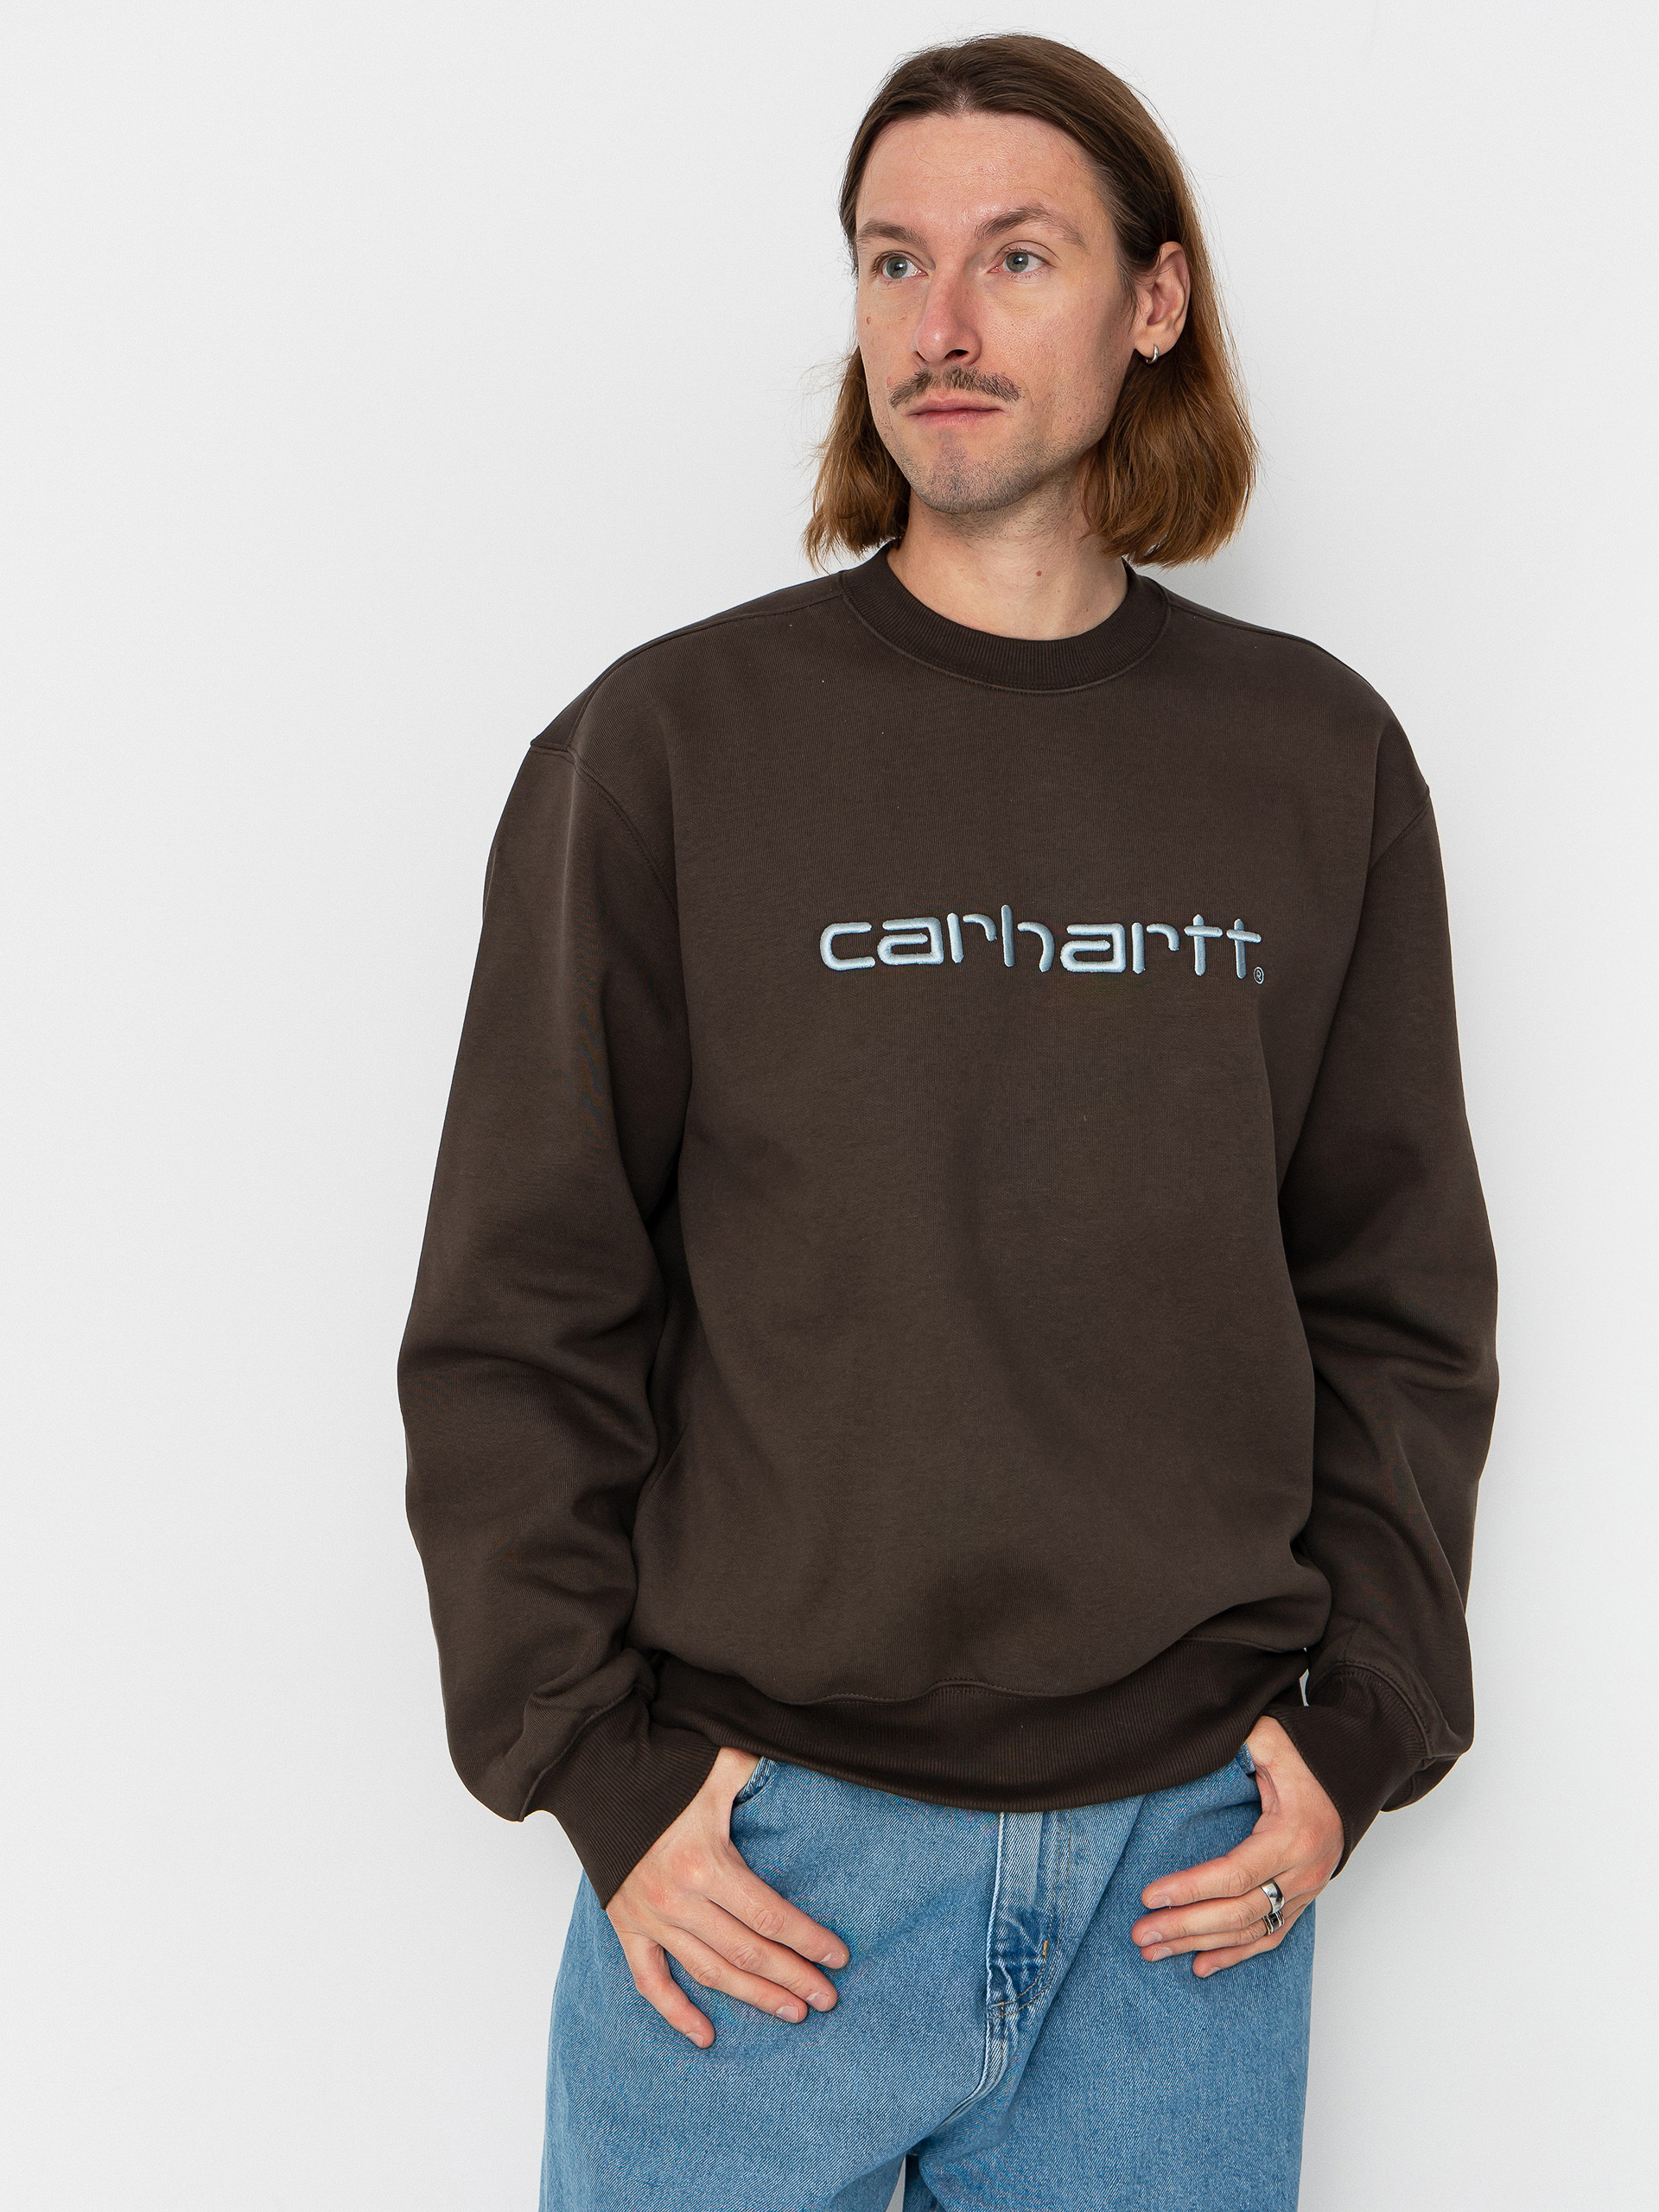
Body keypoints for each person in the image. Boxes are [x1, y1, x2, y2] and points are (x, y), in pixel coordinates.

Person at [398, 31, 1498, 2211]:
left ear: (1154, 300)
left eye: (1018, 255)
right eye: (894, 260)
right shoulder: (671, 747)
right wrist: (593, 1764)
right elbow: (521, 1299)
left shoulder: (1317, 761)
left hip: (1185, 1884)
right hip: (763, 1871)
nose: (944, 321)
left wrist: (1356, 1730)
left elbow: (1396, 1297)